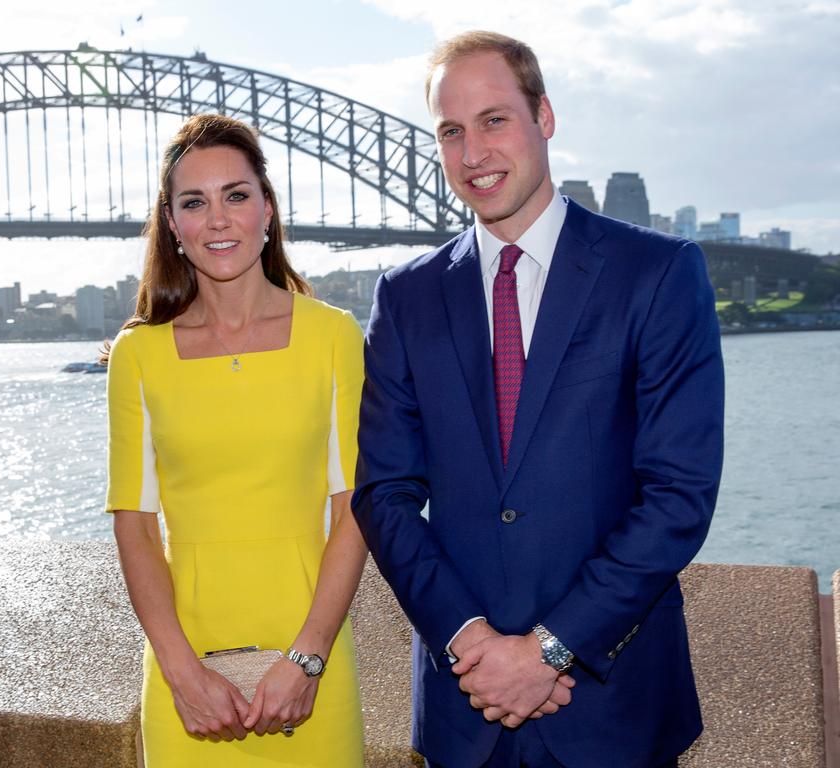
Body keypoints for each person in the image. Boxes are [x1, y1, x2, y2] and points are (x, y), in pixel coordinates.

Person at [353, 31, 724, 768]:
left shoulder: (656, 272)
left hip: (613, 709)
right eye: (451, 132)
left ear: (544, 118)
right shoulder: (406, 297)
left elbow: (679, 494)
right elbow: (384, 494)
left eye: (494, 120)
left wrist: (550, 649)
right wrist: (472, 644)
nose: (473, 153)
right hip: (469, 712)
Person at [106, 113, 366, 767]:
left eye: (237, 195)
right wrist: (182, 674)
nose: (218, 220)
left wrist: (307, 657)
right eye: (195, 202)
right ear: (172, 223)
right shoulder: (137, 355)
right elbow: (134, 524)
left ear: (268, 209)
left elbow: (356, 507)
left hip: (314, 667)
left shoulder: (333, 337)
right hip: (187, 681)